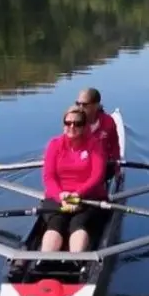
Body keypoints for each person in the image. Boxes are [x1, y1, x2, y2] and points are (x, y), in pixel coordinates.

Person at [41, 105, 110, 253]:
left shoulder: (95, 145)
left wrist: (78, 194)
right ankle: (45, 259)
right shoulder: (54, 145)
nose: (72, 126)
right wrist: (61, 196)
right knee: (55, 224)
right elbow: (49, 177)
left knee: (79, 223)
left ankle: (76, 261)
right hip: (58, 197)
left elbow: (97, 177)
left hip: (89, 198)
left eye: (77, 123)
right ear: (63, 125)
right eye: (68, 123)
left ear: (85, 126)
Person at [74, 87, 120, 177]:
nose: (80, 108)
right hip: (80, 166)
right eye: (78, 104)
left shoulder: (109, 122)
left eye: (84, 105)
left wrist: (117, 167)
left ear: (96, 105)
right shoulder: (73, 122)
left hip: (103, 166)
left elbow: (115, 146)